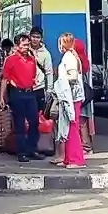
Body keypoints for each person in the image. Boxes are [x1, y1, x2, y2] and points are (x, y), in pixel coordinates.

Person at [0, 34, 43, 163]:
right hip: (17, 93)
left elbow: (34, 75)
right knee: (19, 124)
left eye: (27, 45)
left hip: (30, 93)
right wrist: (2, 97)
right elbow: (5, 79)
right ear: (17, 46)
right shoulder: (10, 59)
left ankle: (32, 149)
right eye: (23, 45)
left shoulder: (31, 59)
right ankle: (22, 152)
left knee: (34, 122)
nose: (26, 47)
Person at [56, 33, 86, 168]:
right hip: (71, 96)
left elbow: (73, 76)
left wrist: (60, 81)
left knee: (72, 127)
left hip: (71, 97)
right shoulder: (72, 56)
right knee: (68, 127)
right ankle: (69, 158)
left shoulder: (69, 57)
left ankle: (76, 159)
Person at [28, 27, 54, 114]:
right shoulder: (25, 50)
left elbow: (49, 72)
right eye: (33, 37)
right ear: (29, 37)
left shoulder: (46, 54)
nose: (35, 39)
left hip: (39, 88)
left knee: (39, 116)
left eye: (38, 37)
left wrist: (49, 90)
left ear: (41, 38)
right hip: (25, 89)